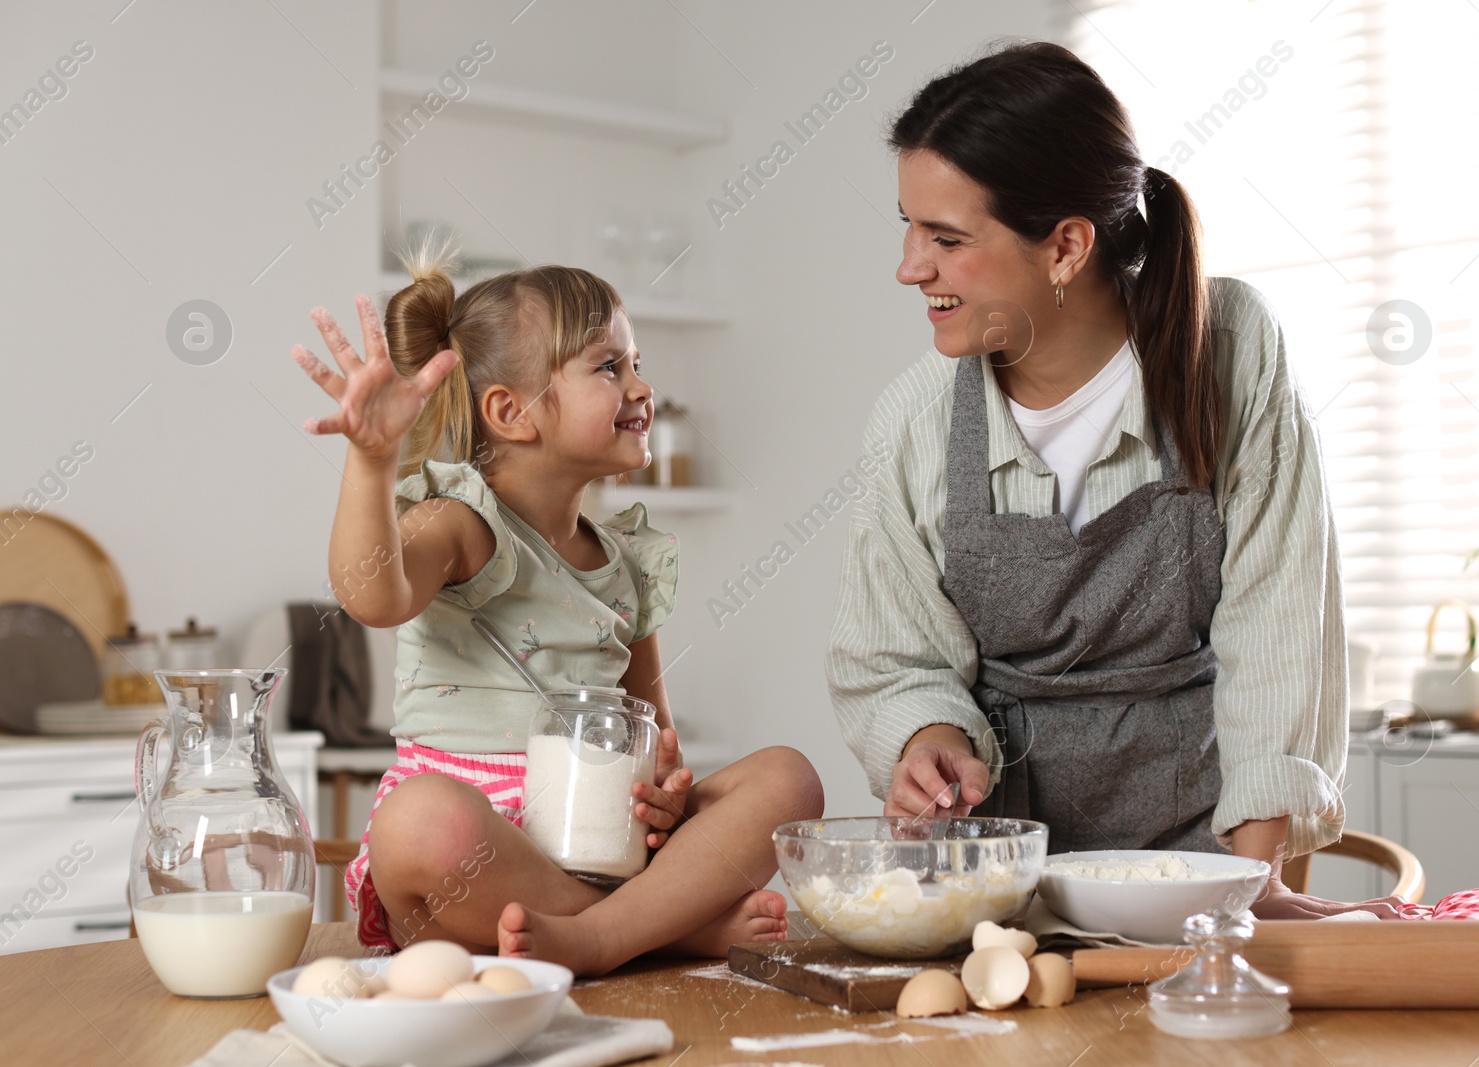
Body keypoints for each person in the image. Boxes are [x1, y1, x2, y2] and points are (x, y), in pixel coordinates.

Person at [826, 41, 1402, 919]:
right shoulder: (915, 419)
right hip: (998, 885)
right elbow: (896, 658)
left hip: (1201, 868)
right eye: (908, 227)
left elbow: (1278, 630)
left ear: (1064, 246)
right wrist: (928, 739)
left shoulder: (1231, 348)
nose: (910, 265)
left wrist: (1247, 894)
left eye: (945, 237)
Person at [292, 249, 825, 974]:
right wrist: (373, 462)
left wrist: (665, 794)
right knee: (416, 819)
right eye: (610, 366)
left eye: (636, 361)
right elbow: (370, 593)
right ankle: (651, 931)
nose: (642, 385)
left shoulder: (627, 564)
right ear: (511, 412)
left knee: (788, 780)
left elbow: (655, 741)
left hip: (603, 842)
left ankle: (601, 933)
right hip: (474, 868)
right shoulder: (460, 522)